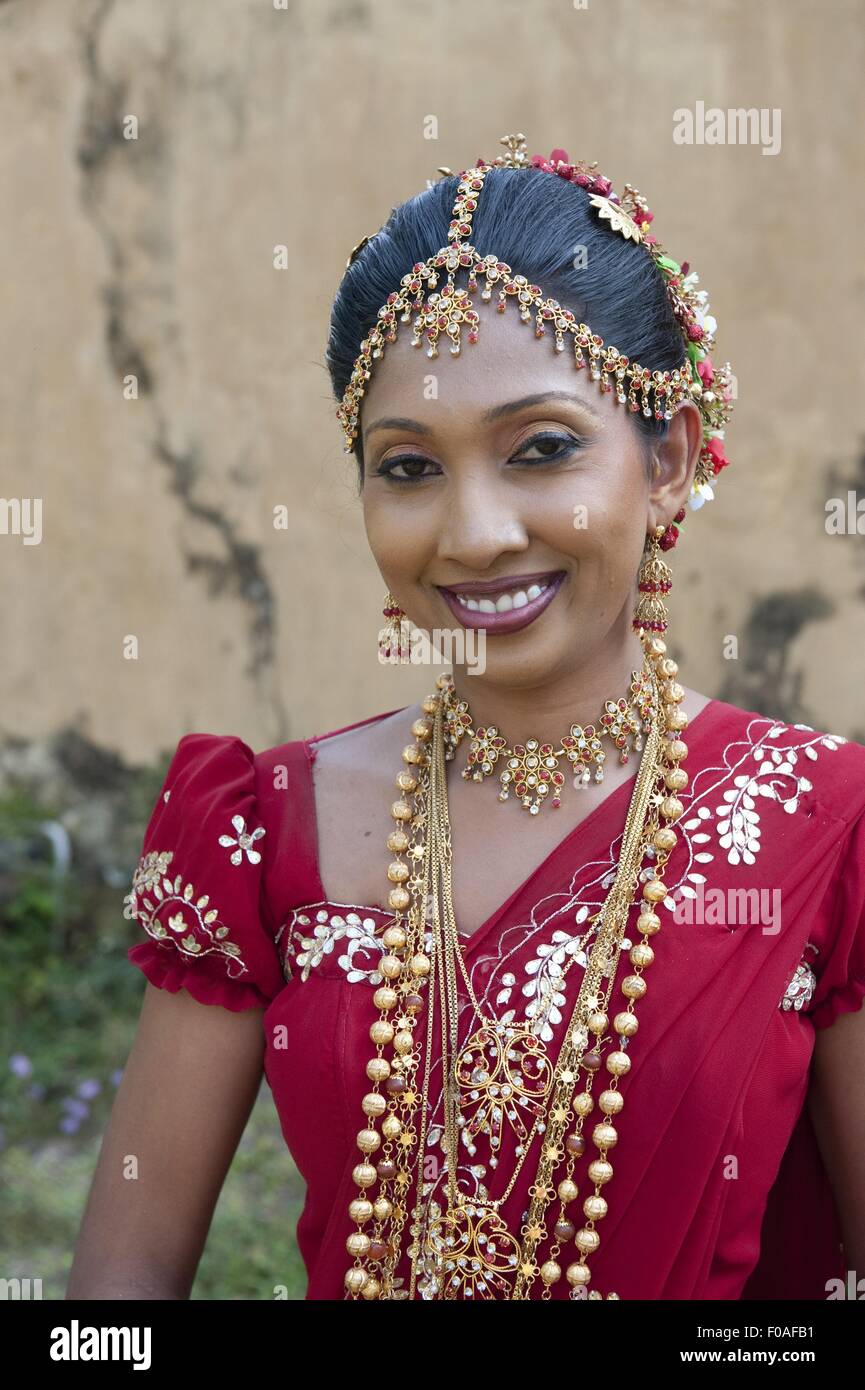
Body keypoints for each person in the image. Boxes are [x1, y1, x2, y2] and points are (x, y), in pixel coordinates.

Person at [68, 134, 865, 1302]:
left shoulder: (824, 826)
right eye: (407, 468)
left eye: (540, 450)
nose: (473, 533)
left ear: (671, 460)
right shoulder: (258, 829)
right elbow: (112, 1300)